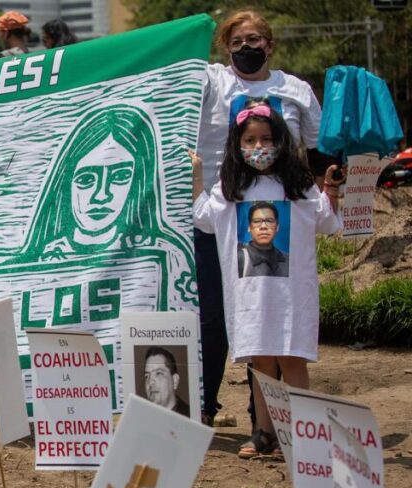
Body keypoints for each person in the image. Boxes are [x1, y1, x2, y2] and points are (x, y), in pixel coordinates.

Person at [194, 10, 333, 428]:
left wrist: (331, 191)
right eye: (236, 42)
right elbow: (164, 76)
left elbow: (320, 146)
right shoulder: (210, 82)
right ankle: (203, 405)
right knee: (214, 314)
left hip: (280, 215)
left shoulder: (294, 90)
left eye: (254, 40)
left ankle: (269, 422)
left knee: (271, 319)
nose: (246, 49)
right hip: (221, 210)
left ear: (270, 45)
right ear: (225, 48)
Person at [192, 102, 341, 458]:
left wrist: (332, 189)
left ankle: (303, 435)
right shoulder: (231, 189)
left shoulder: (298, 186)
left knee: (292, 359)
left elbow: (324, 221)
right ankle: (264, 433)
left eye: (267, 139)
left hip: (292, 296)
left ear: (281, 142)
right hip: (250, 299)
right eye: (250, 140)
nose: (259, 147)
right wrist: (197, 176)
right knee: (260, 362)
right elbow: (203, 219)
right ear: (238, 145)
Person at [21, 104, 193, 262]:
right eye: (86, 180)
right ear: (65, 187)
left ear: (138, 183)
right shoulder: (40, 260)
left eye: (120, 177)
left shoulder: (164, 254)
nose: (101, 195)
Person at [238, 201, 289, 278]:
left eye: (269, 221)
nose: (263, 226)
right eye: (257, 221)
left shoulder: (289, 261)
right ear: (249, 227)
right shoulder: (239, 258)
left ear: (277, 227)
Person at [141, 347, 189, 417]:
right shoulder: (141, 418)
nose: (150, 382)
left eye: (158, 373)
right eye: (147, 376)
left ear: (175, 381)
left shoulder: (193, 419)